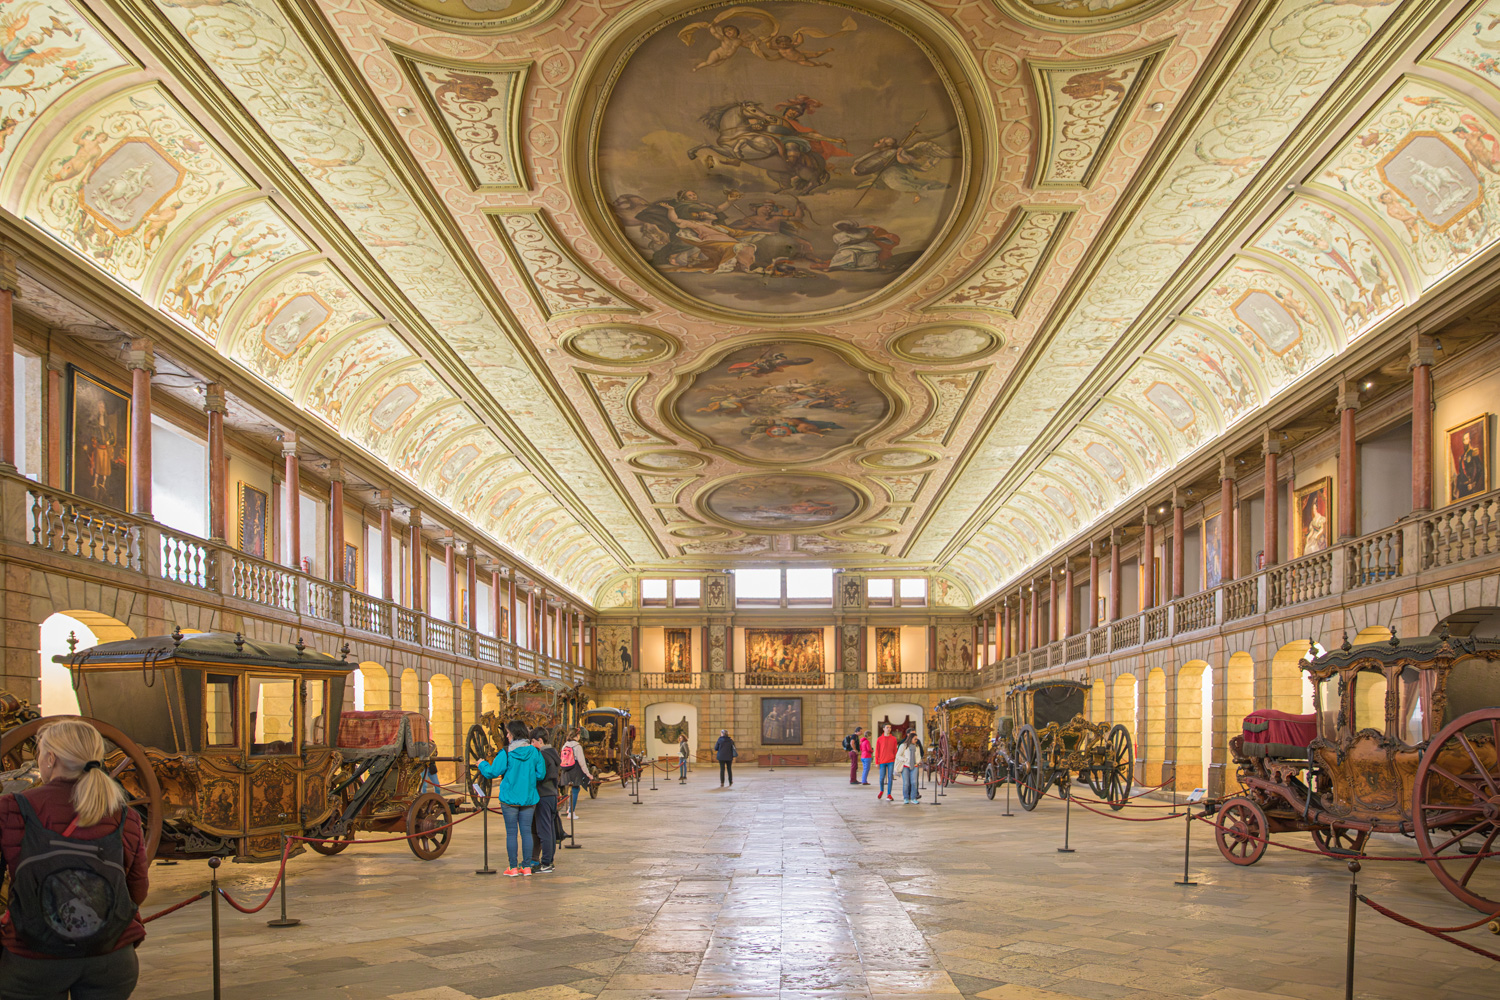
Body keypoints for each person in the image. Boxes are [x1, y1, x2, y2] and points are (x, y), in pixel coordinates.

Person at [0, 719, 150, 999]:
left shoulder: (12, 809)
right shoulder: (125, 816)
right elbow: (138, 891)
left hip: (32, 958)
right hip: (111, 955)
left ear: (50, 758)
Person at [476, 719, 545, 876]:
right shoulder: (535, 752)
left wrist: (482, 764)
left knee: (512, 833)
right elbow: (541, 774)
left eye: (508, 733)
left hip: (509, 799)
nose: (507, 736)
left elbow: (492, 772)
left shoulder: (506, 753)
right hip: (528, 798)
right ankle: (526, 867)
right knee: (526, 832)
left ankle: (513, 868)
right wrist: (528, 778)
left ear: (513, 734)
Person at [525, 727, 561, 874]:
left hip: (543, 795)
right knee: (550, 829)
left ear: (539, 741)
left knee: (543, 830)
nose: (531, 745)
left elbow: (539, 775)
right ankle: (549, 861)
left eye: (532, 742)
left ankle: (546, 862)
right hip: (552, 794)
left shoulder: (543, 755)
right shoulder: (552, 753)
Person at [559, 727, 593, 819]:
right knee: (575, 790)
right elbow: (582, 762)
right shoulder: (577, 746)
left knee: (571, 790)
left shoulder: (565, 745)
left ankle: (569, 808)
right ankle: (571, 812)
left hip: (566, 770)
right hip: (575, 769)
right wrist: (588, 774)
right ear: (577, 736)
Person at [874, 723, 899, 802]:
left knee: (890, 777)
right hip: (882, 761)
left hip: (891, 760)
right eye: (887, 727)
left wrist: (896, 761)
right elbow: (877, 751)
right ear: (883, 729)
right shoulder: (879, 739)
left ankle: (889, 794)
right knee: (882, 778)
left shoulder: (894, 739)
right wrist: (876, 762)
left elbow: (895, 750)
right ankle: (881, 790)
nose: (889, 729)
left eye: (890, 727)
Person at [897, 731, 922, 805]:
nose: (916, 740)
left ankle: (913, 798)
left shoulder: (917, 747)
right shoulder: (903, 746)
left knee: (914, 782)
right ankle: (906, 798)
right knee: (906, 783)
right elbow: (898, 755)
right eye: (915, 739)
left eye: (917, 739)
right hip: (905, 766)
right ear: (910, 738)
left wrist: (917, 762)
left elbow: (919, 755)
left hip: (915, 766)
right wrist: (905, 760)